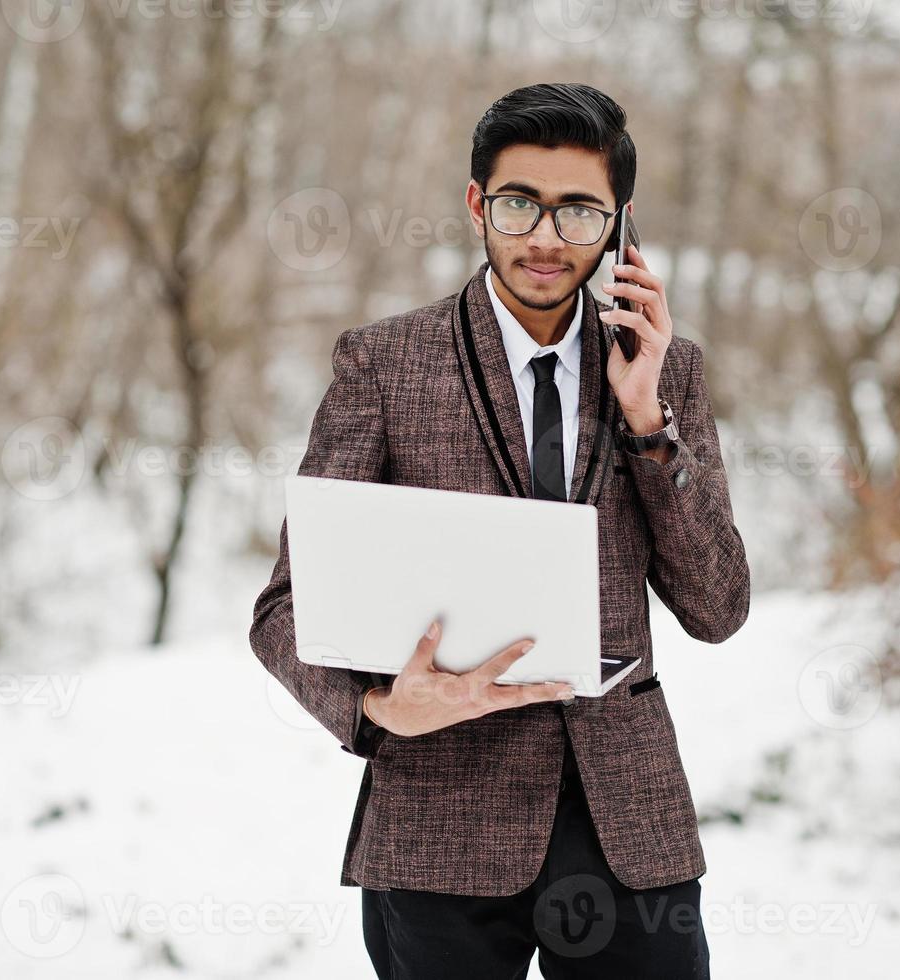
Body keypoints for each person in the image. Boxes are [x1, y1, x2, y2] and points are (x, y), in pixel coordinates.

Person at [250, 82, 749, 979]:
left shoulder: (664, 372)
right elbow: (286, 608)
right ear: (478, 202)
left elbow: (716, 608)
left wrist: (648, 425)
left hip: (624, 818)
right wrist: (371, 711)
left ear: (620, 225)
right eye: (521, 204)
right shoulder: (386, 362)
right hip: (438, 814)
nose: (547, 239)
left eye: (579, 212)